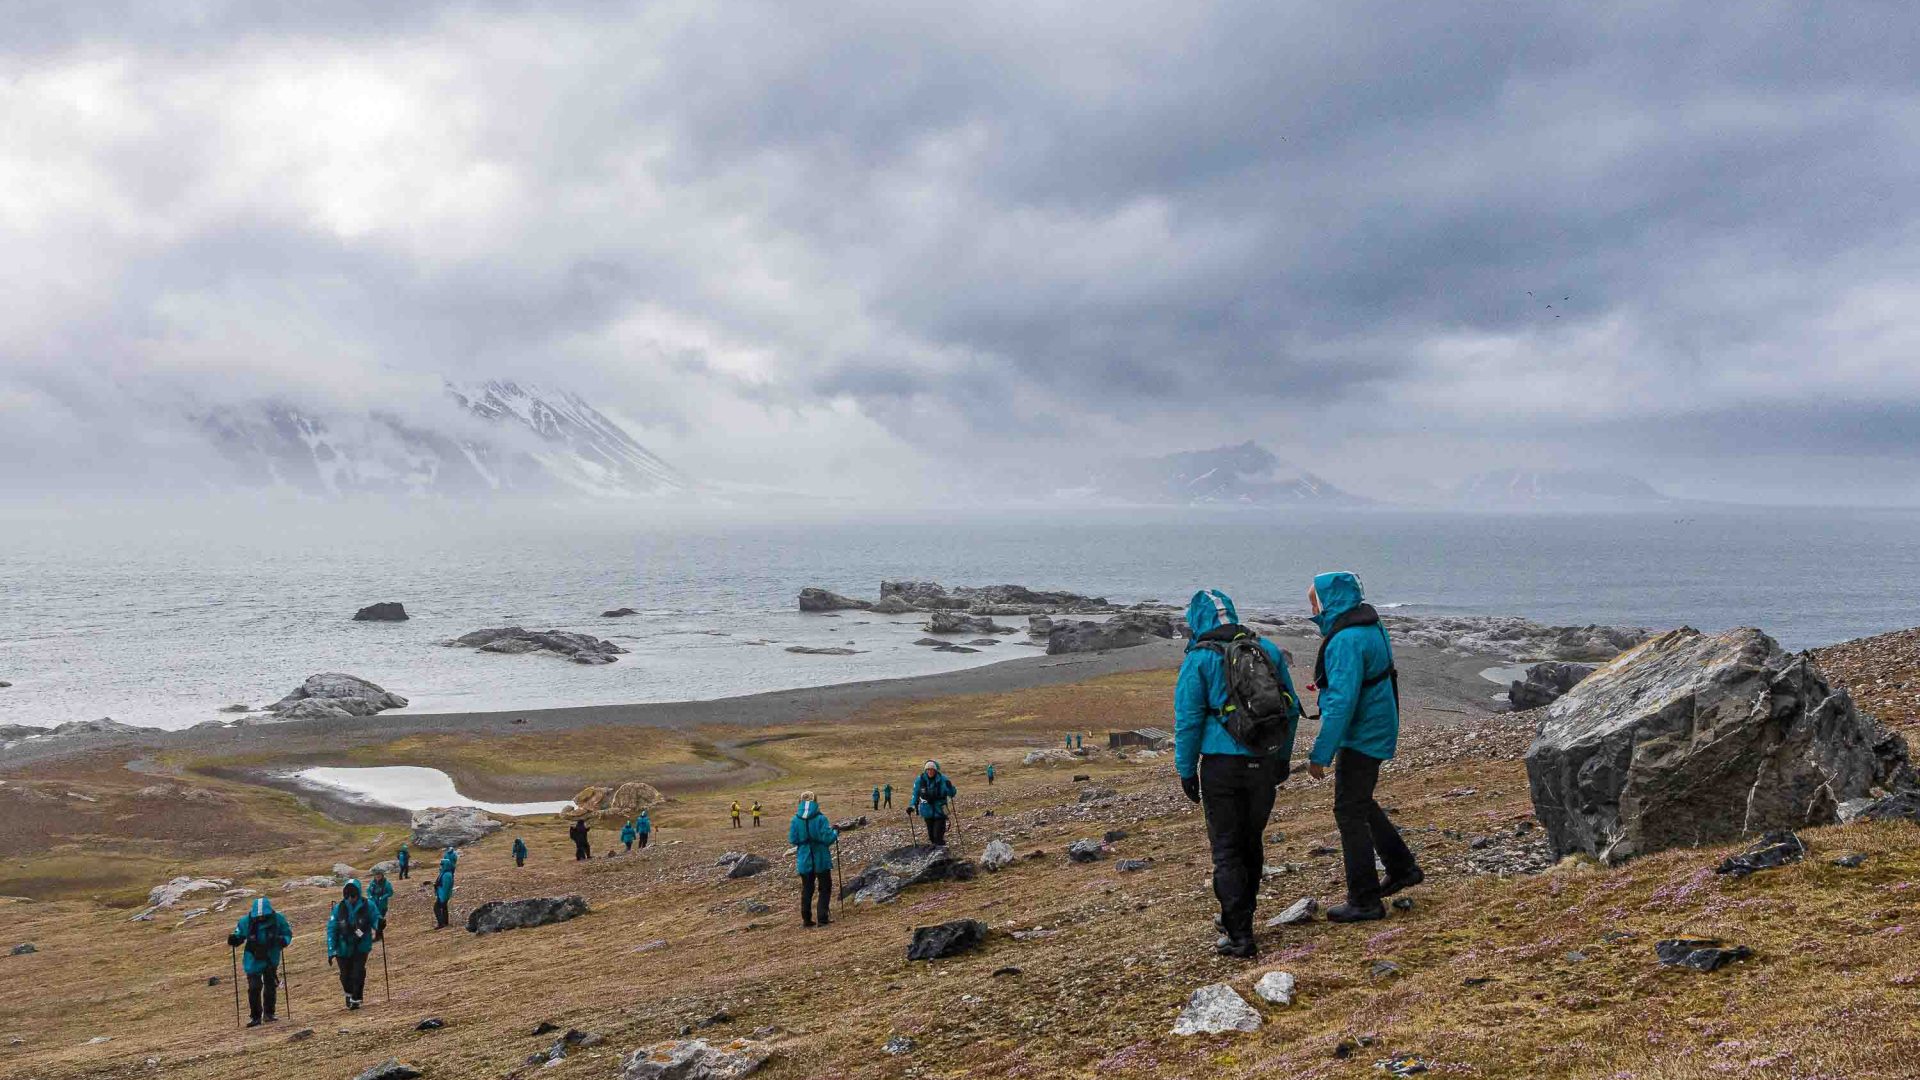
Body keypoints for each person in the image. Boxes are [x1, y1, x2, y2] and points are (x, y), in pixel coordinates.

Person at [1174, 588, 1300, 959]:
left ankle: (1239, 934)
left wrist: (1186, 771)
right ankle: (1242, 915)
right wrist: (1281, 759)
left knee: (1227, 851)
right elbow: (1290, 710)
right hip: (1264, 762)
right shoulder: (1269, 651)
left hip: (1221, 768)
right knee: (1251, 842)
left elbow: (1188, 722)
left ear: (1196, 621)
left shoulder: (1198, 660)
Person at [1305, 571, 1421, 923]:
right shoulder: (1370, 623)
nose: (1311, 608)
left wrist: (1320, 754)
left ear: (1330, 602)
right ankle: (1402, 868)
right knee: (1360, 800)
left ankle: (1365, 900)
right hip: (1378, 725)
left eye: (1314, 601)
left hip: (1363, 734)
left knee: (1348, 810)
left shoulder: (1345, 640)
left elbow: (1342, 703)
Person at [227, 897, 291, 1026]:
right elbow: (239, 935)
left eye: (264, 916)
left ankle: (269, 1014)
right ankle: (255, 1016)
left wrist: (283, 940)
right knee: (254, 987)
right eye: (258, 916)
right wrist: (234, 939)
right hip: (253, 959)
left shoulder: (278, 919)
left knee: (270, 985)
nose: (261, 918)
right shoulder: (246, 922)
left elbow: (287, 933)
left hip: (271, 957)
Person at [789, 790, 839, 928]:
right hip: (821, 858)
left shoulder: (795, 819)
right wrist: (835, 832)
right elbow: (828, 838)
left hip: (804, 858)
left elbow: (792, 839)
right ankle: (822, 919)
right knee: (825, 887)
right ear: (815, 802)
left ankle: (806, 919)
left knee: (807, 888)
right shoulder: (820, 819)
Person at [325, 879, 377, 1010]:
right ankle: (349, 994)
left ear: (358, 894)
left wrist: (379, 924)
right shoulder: (338, 909)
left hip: (361, 945)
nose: (350, 899)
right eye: (347, 896)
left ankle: (356, 998)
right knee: (345, 975)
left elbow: (375, 917)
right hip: (342, 947)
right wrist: (331, 950)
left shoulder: (368, 905)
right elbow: (332, 929)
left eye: (353, 895)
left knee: (358, 972)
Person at [910, 760, 957, 847]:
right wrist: (912, 806)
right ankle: (938, 851)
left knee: (937, 836)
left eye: (932, 769)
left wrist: (950, 787)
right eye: (928, 769)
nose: (930, 771)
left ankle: (941, 852)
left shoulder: (943, 779)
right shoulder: (920, 780)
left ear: (935, 770)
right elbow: (915, 793)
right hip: (927, 811)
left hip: (940, 810)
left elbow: (952, 793)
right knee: (931, 836)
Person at [366, 867, 393, 940]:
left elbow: (390, 892)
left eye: (379, 875)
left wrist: (383, 897)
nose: (377, 877)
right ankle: (378, 935)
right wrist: (370, 896)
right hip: (374, 904)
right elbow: (368, 890)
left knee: (379, 920)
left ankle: (378, 936)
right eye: (376, 875)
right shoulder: (372, 883)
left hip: (382, 905)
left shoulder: (386, 883)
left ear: (382, 875)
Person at [432, 861, 455, 929]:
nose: (441, 867)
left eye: (442, 865)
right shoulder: (445, 873)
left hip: (443, 895)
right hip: (442, 894)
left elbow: (446, 887)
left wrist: (443, 897)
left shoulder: (446, 875)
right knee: (444, 908)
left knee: (436, 908)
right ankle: (445, 922)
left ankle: (441, 923)